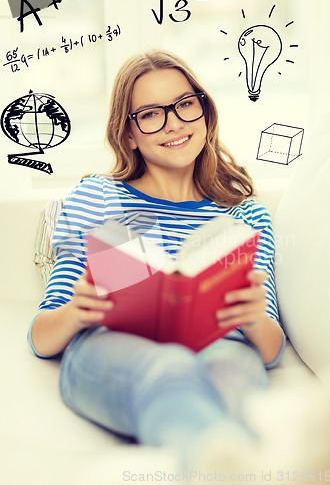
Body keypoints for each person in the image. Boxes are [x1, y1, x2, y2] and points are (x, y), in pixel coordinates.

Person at [28, 50, 285, 466]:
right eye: (150, 114)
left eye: (185, 105)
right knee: (170, 367)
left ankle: (223, 460)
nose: (175, 124)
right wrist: (78, 310)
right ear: (128, 134)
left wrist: (254, 316)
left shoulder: (245, 214)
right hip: (115, 349)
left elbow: (270, 351)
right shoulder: (98, 197)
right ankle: (214, 459)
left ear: (204, 111)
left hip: (223, 347)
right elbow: (41, 338)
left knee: (233, 382)